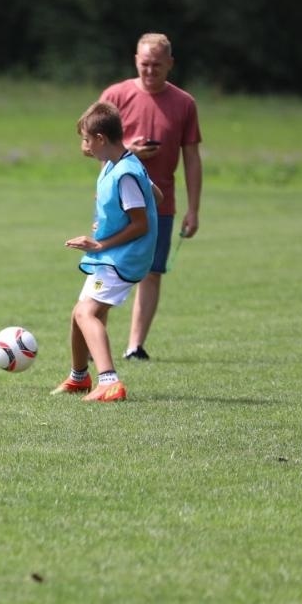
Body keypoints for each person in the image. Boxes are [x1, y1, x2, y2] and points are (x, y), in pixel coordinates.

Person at [99, 32, 202, 360]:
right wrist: (131, 151)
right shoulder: (115, 96)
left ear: (170, 64)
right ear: (135, 61)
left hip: (161, 203)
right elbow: (94, 145)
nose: (150, 70)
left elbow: (192, 157)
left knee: (152, 272)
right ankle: (92, 336)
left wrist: (194, 209)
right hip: (118, 204)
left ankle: (135, 346)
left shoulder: (184, 103)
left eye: (158, 64)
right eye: (145, 64)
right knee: (107, 268)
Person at [50, 101, 159, 403]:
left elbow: (140, 224)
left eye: (87, 140)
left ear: (101, 138)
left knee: (87, 313)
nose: (84, 147)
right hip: (115, 254)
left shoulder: (124, 173)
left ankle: (109, 381)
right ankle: (79, 377)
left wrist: (100, 243)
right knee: (79, 314)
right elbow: (156, 195)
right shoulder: (121, 163)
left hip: (122, 256)